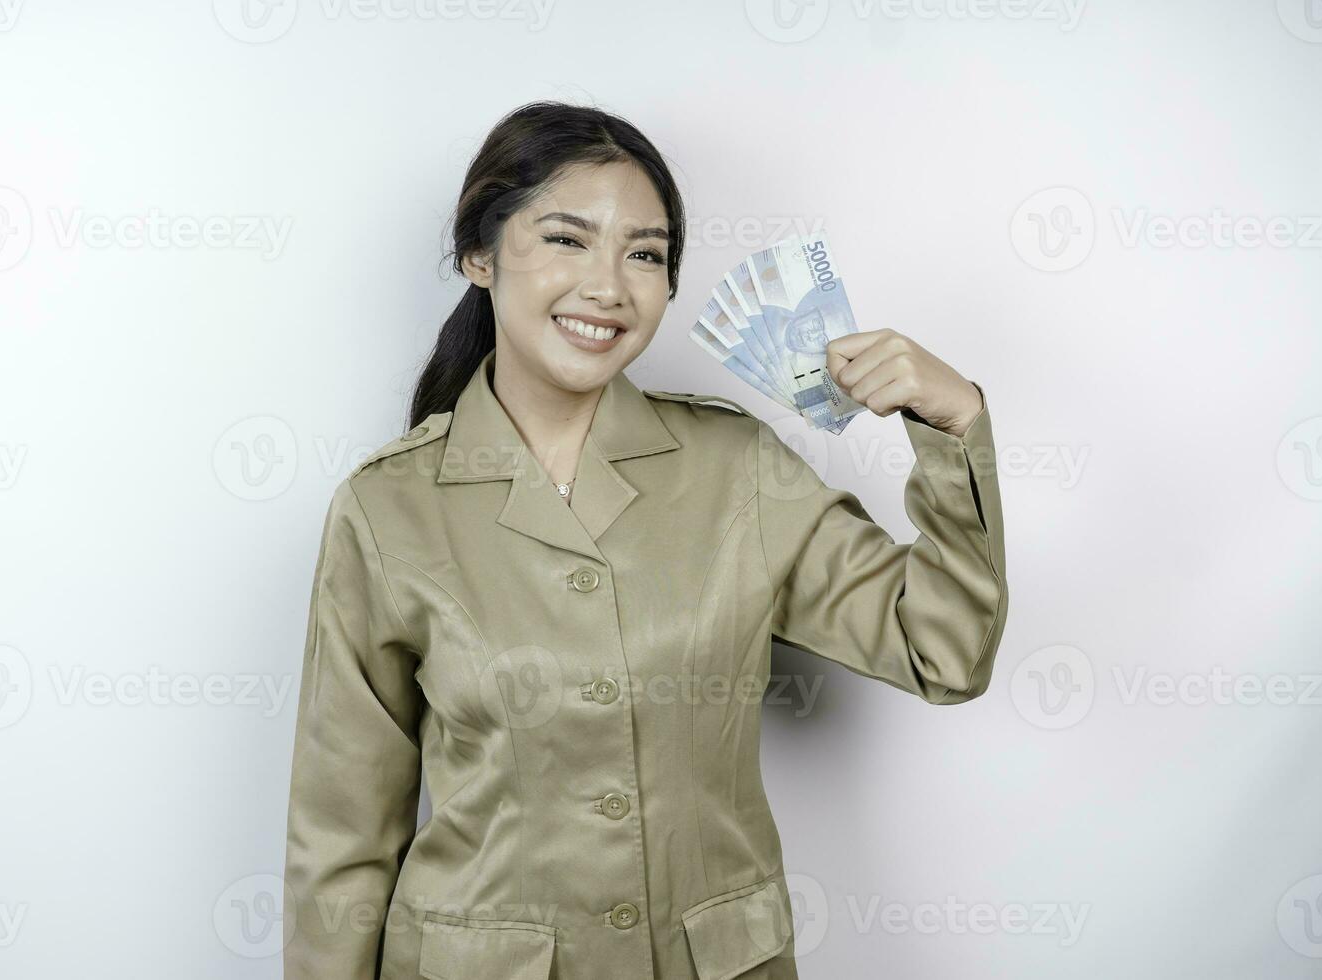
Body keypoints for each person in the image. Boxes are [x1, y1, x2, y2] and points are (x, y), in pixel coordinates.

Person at [283, 101, 1008, 980]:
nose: (609, 286)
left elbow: (942, 649)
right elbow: (341, 839)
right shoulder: (385, 508)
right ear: (479, 256)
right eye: (566, 239)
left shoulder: (736, 467)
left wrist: (952, 422)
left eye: (645, 253)